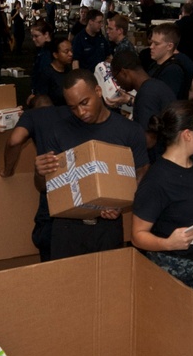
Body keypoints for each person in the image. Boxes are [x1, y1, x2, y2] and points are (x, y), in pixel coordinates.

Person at [34, 69, 149, 260]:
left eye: (84, 103)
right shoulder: (58, 132)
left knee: (107, 285)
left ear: (98, 91)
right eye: (72, 107)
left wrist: (121, 201)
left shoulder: (129, 131)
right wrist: (39, 172)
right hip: (67, 228)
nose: (80, 112)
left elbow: (142, 171)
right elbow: (43, 187)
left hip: (107, 228)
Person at [132, 101, 193, 307]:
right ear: (187, 134)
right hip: (177, 270)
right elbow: (138, 235)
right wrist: (167, 243)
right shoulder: (157, 180)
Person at [1, 97, 70, 261]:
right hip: (80, 180)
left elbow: (14, 141)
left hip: (53, 184)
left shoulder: (32, 116)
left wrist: (7, 170)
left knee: (47, 240)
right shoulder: (69, 109)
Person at [110, 49, 175, 159]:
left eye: (116, 78)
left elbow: (149, 140)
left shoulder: (146, 95)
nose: (118, 84)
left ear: (124, 72)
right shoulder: (157, 86)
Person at [149, 22, 193, 100]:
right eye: (151, 42)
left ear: (169, 46)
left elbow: (164, 102)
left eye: (156, 44)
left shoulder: (172, 70)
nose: (151, 46)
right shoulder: (156, 64)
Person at [31, 37, 73, 106]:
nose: (71, 54)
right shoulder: (46, 74)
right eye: (66, 52)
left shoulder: (68, 70)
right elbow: (41, 100)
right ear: (55, 55)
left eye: (71, 50)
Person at [176, 3, 193, 67]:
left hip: (180, 50)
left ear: (182, 11)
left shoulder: (177, 24)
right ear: (191, 12)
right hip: (191, 50)